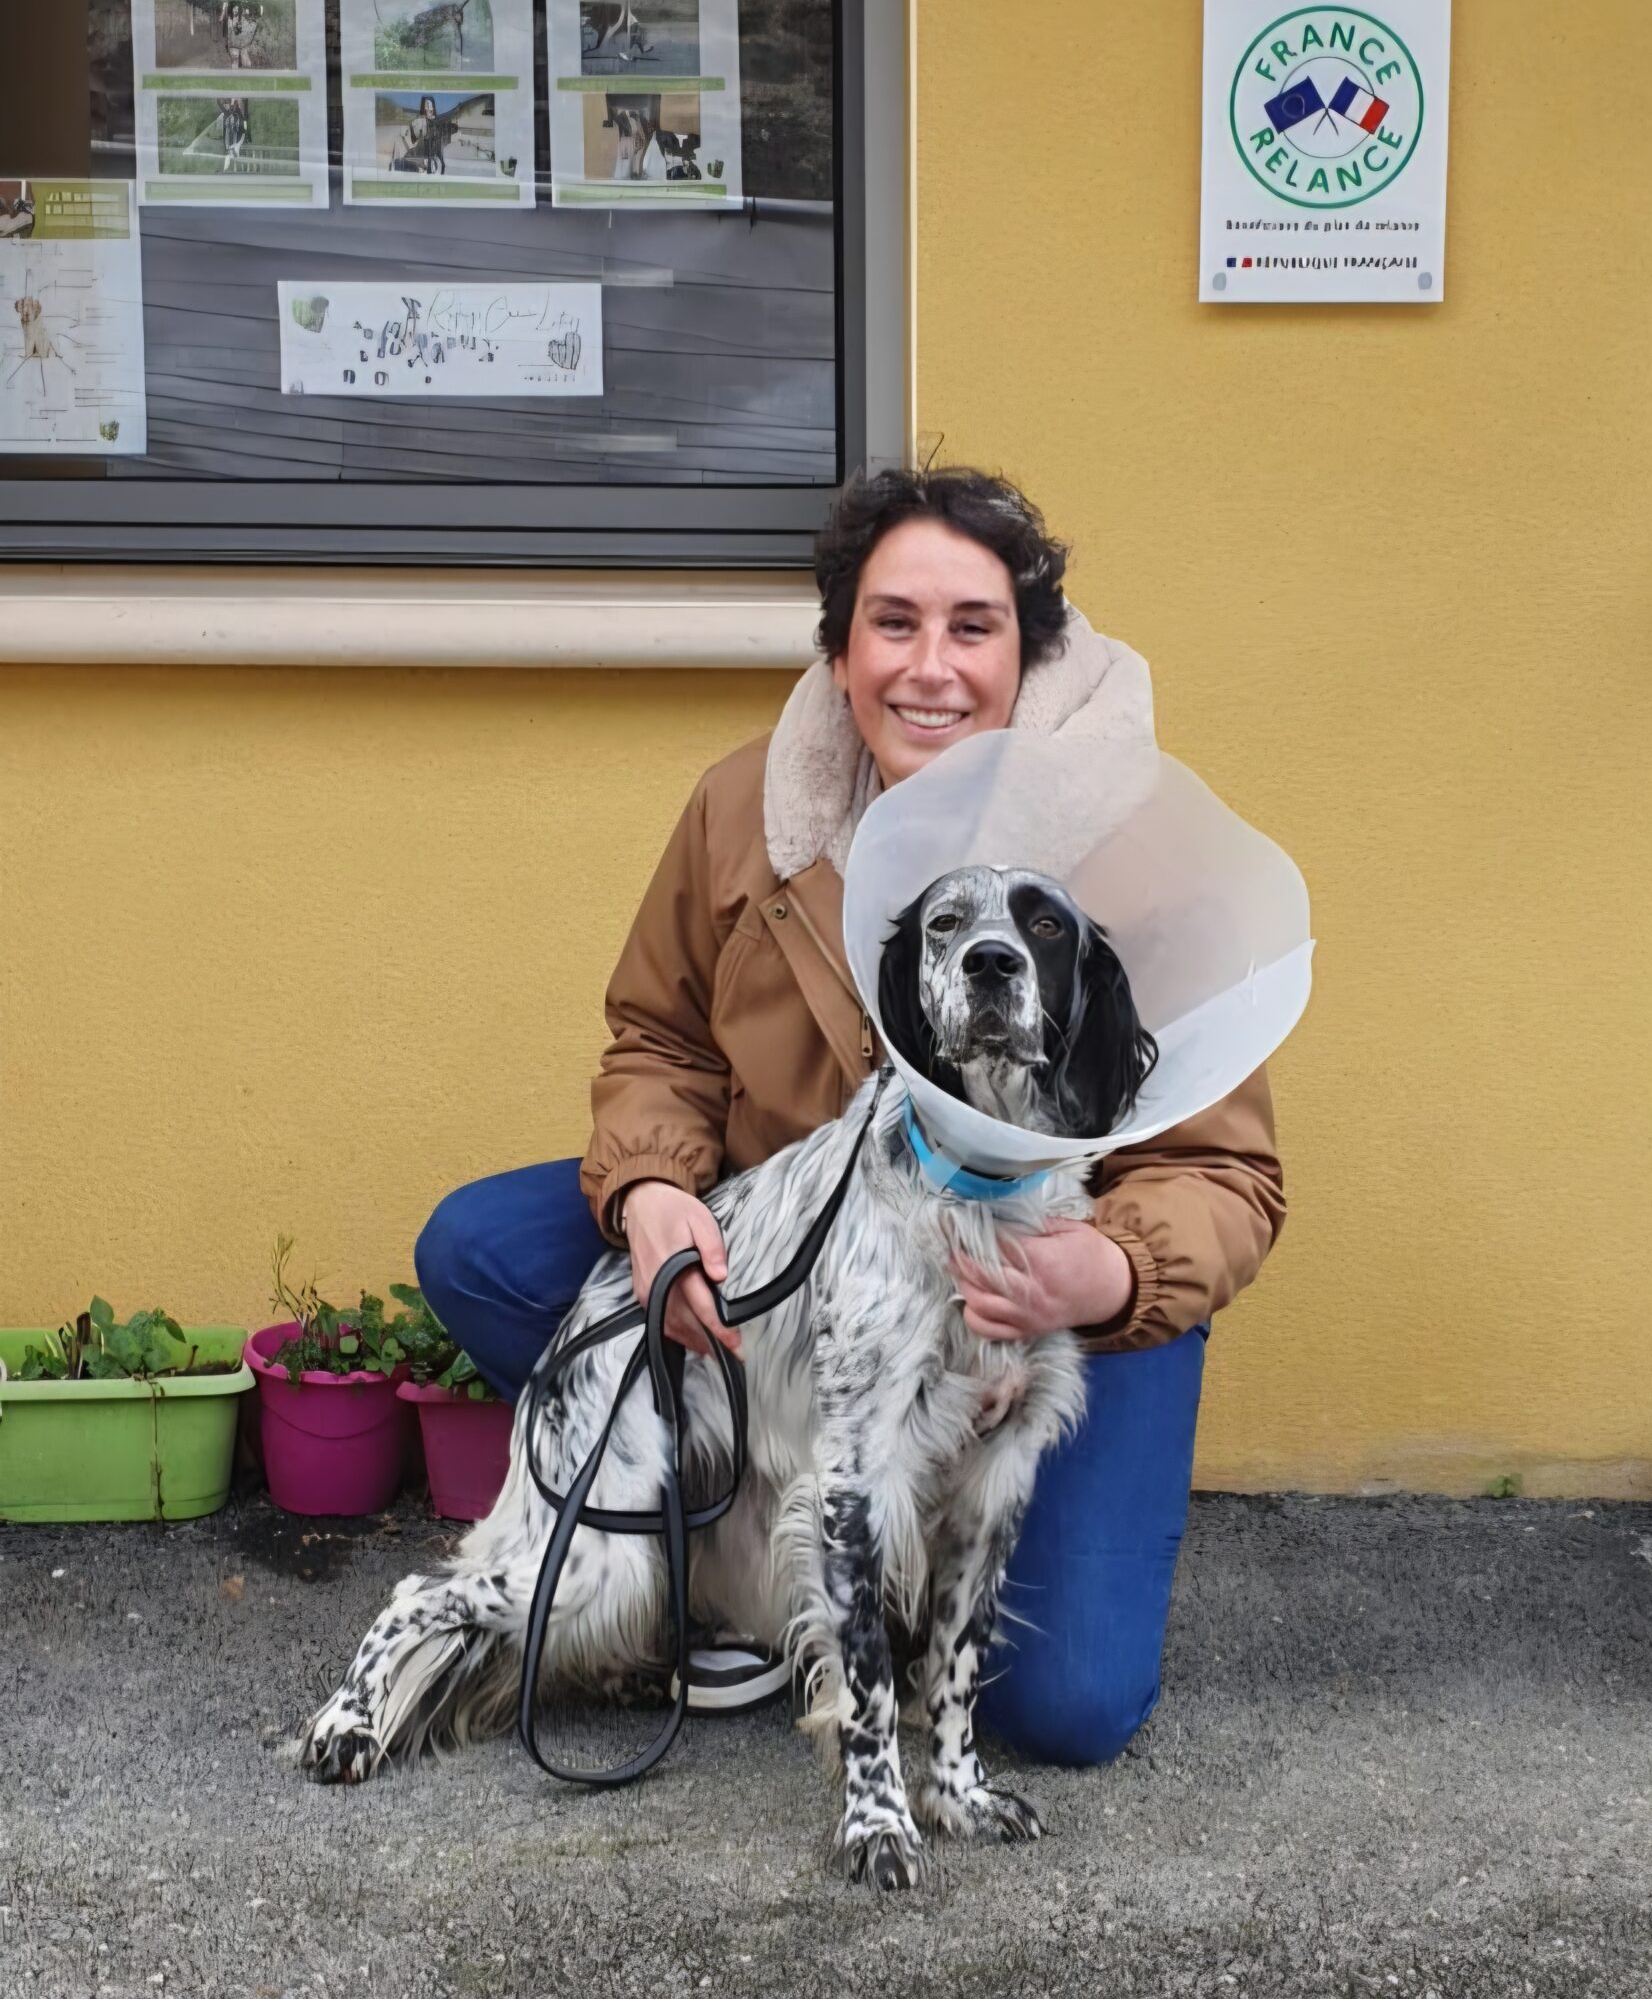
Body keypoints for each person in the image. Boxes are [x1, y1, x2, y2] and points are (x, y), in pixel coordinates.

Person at [416, 466, 1283, 1764]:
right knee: (482, 1250)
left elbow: (1225, 1171)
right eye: (893, 623)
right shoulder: (745, 807)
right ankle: (736, 1566)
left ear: (1030, 650)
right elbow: (660, 1038)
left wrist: (1109, 1271)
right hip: (807, 1254)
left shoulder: (1140, 846)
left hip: (1047, 1289)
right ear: (839, 649)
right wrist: (653, 1190)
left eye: (973, 627)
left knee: (1065, 1707)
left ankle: (847, 1551)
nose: (930, 667)